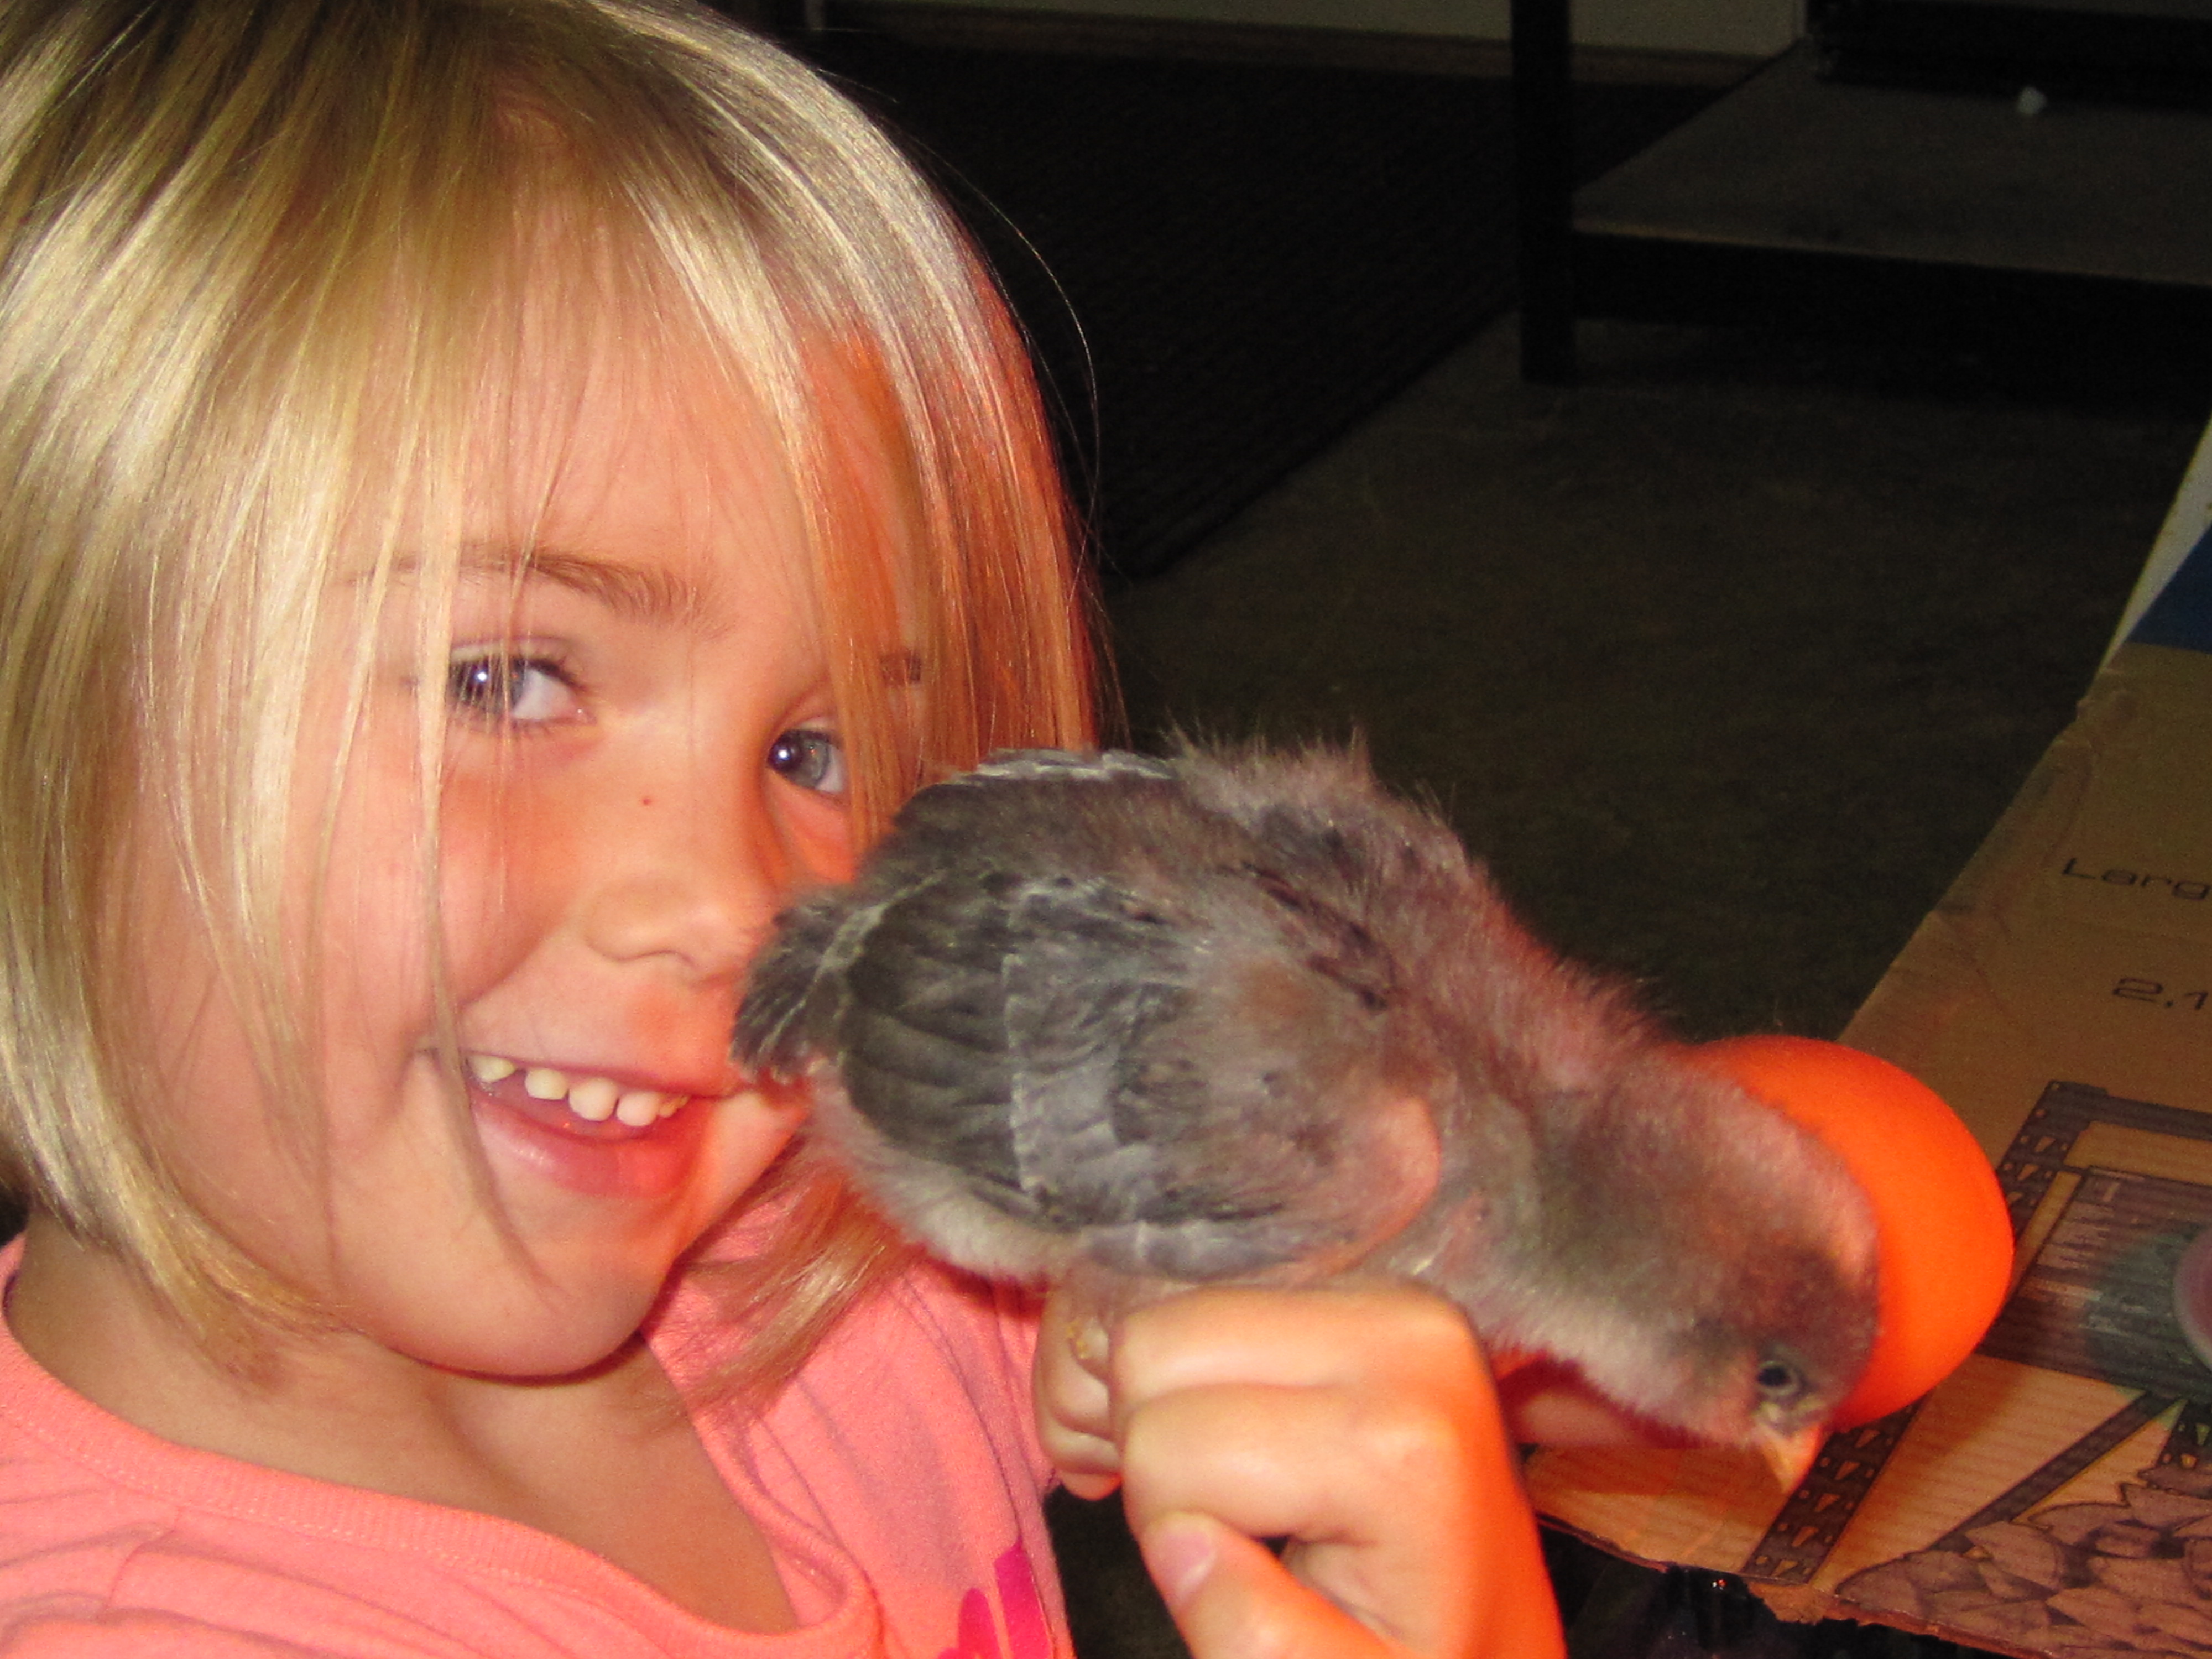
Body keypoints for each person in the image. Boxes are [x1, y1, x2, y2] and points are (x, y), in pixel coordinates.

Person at [0, 1, 1566, 1654]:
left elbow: (1776, 1239)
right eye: (510, 682)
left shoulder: (804, 1262)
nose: (745, 911)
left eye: (819, 749)